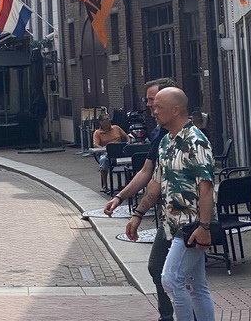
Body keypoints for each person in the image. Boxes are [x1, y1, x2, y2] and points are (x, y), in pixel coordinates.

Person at [128, 87, 215, 321]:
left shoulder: (196, 141)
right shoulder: (166, 141)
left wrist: (204, 227)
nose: (153, 111)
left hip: (191, 226)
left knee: (171, 278)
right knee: (196, 285)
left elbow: (206, 187)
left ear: (176, 110)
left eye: (159, 107)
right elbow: (156, 183)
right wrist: (138, 214)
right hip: (172, 224)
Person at [105, 77, 179, 321]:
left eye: (154, 101)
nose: (150, 106)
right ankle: (169, 315)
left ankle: (176, 315)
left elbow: (206, 186)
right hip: (168, 216)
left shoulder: (191, 139)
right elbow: (149, 174)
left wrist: (206, 224)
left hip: (188, 218)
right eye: (150, 101)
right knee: (162, 269)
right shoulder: (161, 136)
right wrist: (122, 198)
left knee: (179, 276)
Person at [92, 113, 129, 194]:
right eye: (106, 119)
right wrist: (103, 149)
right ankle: (105, 185)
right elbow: (95, 144)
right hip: (107, 153)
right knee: (103, 160)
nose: (109, 120)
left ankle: (128, 184)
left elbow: (126, 136)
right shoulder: (97, 133)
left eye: (109, 118)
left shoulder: (116, 128)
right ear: (101, 122)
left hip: (120, 152)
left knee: (129, 161)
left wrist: (129, 142)